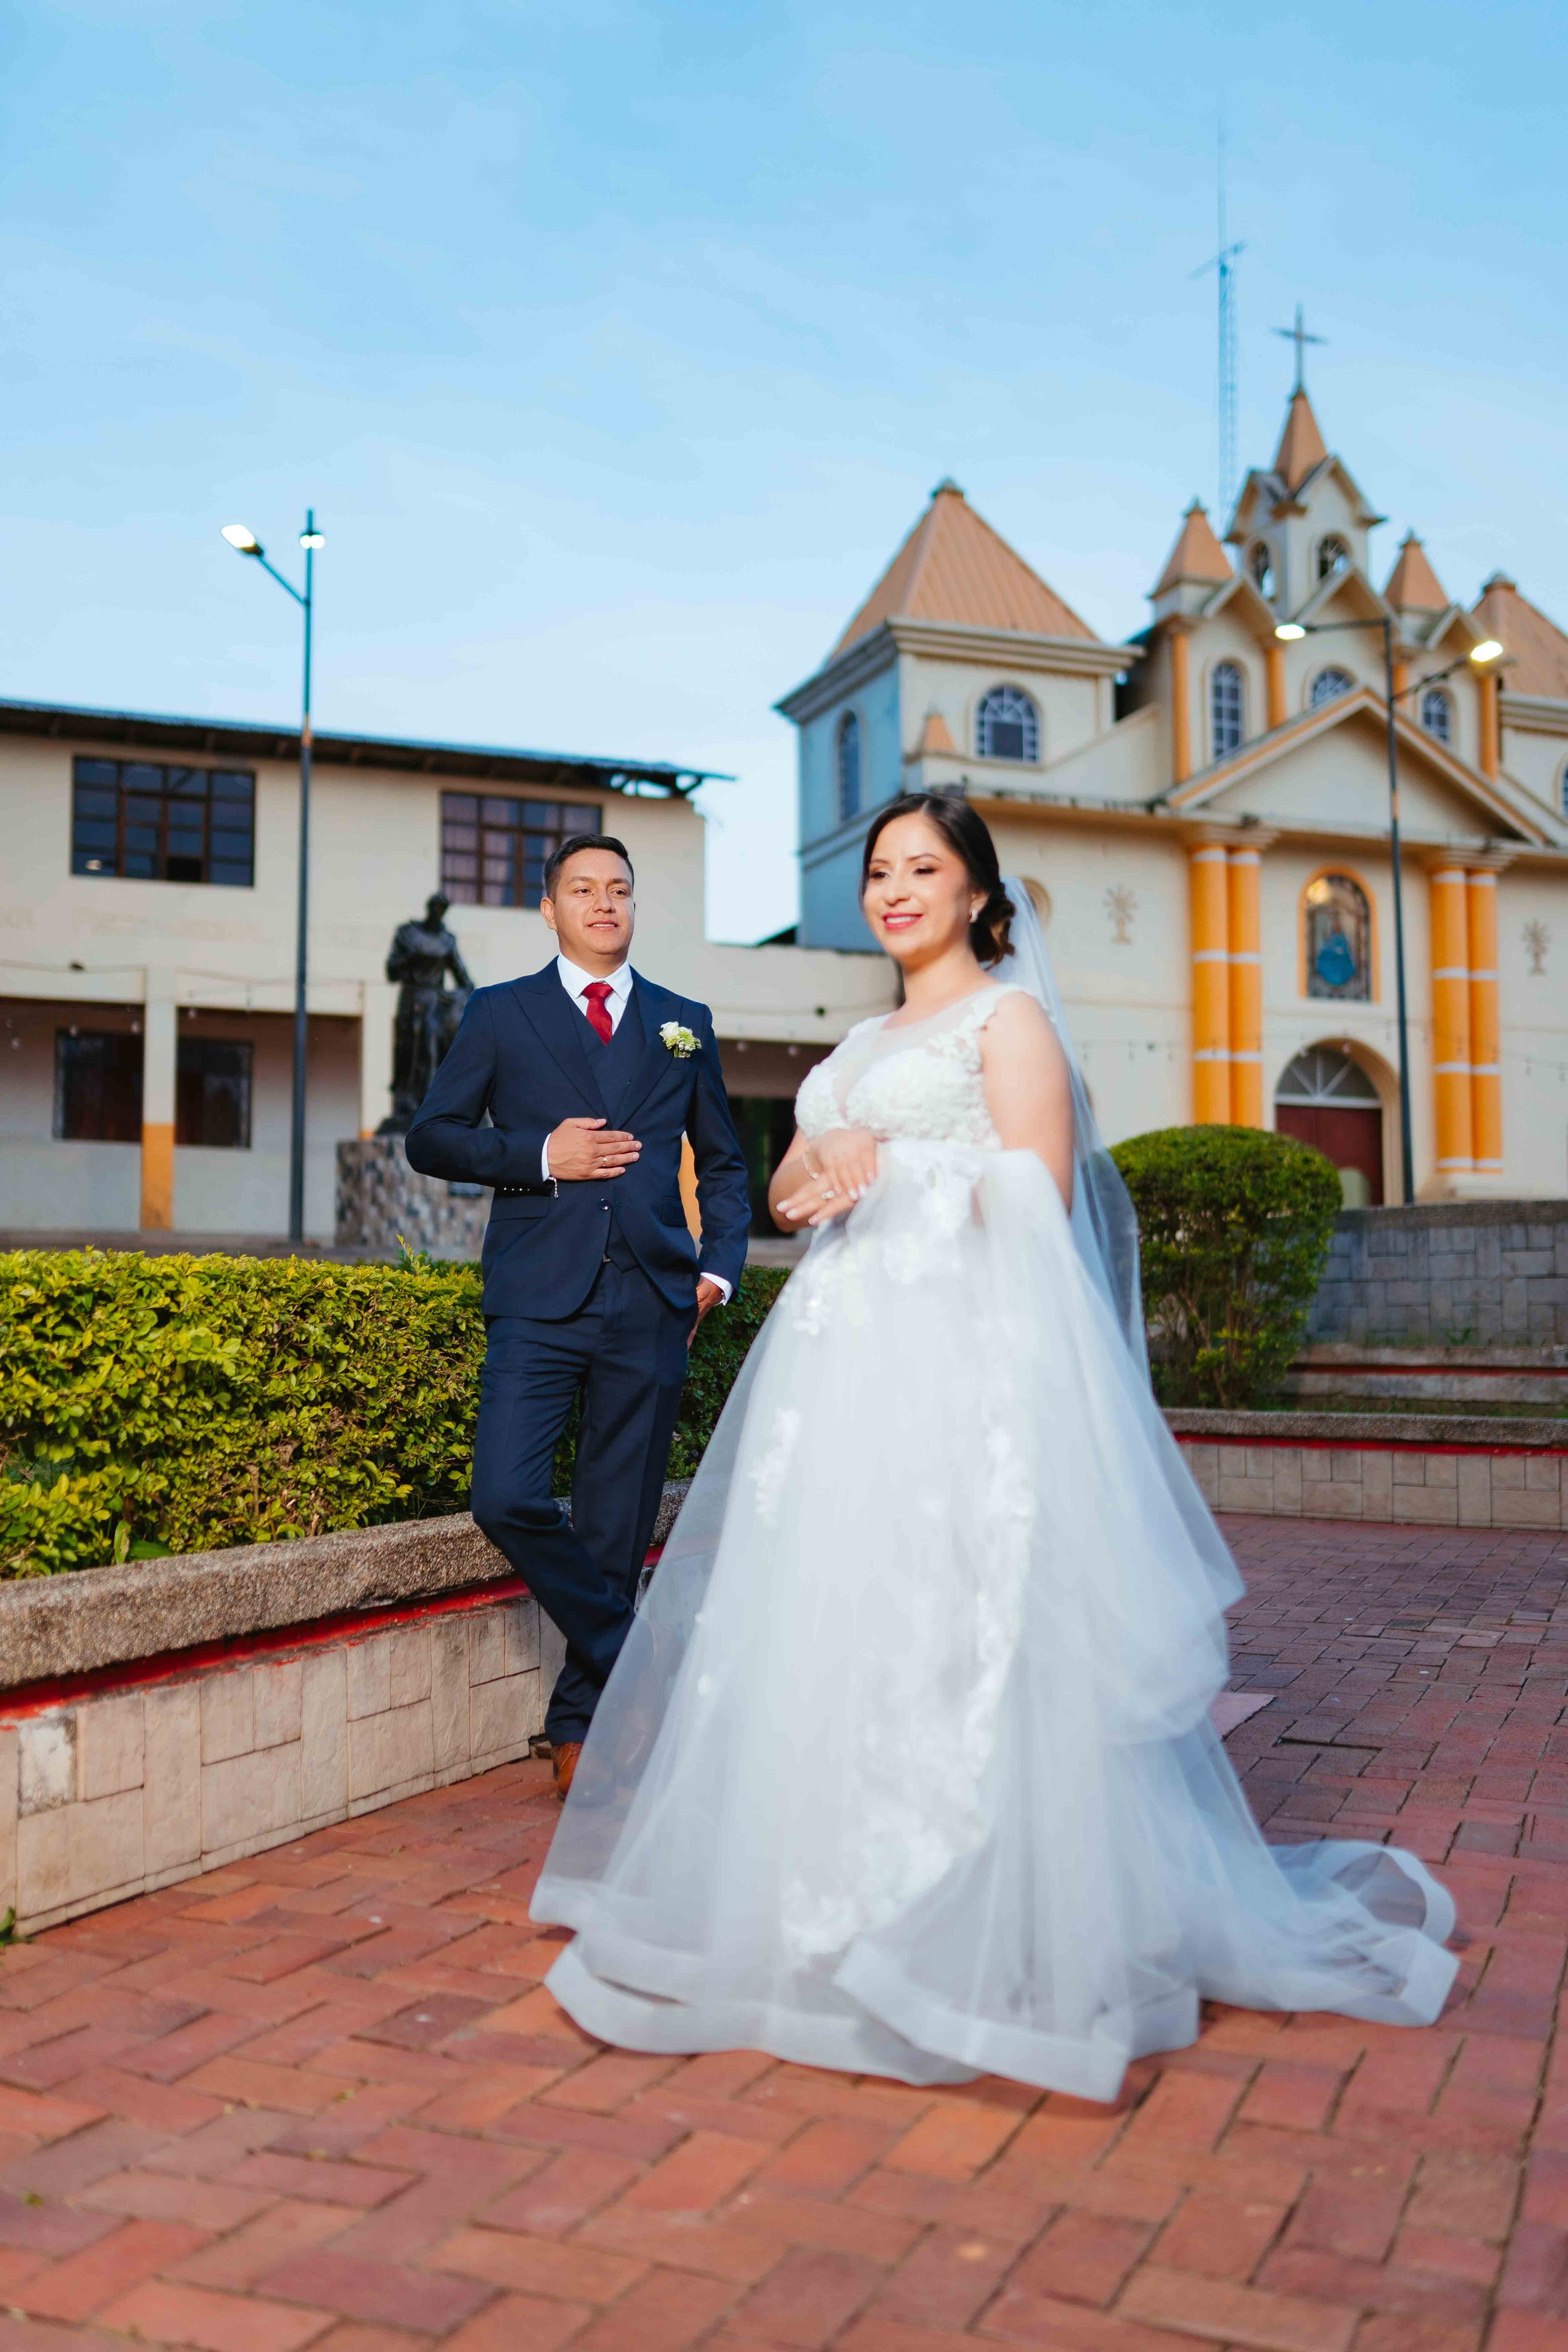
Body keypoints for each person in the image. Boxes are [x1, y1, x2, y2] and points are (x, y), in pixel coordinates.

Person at [532, 793, 1457, 2100]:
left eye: (925, 868)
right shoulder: (856, 1037)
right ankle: (824, 1901)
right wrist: (827, 1157)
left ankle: (971, 1911)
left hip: (956, 1358)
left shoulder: (1004, 1020)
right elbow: (793, 1191)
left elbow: (1036, 1183)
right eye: (879, 870)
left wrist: (887, 1158)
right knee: (828, 1616)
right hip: (839, 1365)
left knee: (953, 1620)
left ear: (975, 893)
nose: (896, 889)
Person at [405, 834, 751, 1798]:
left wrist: (717, 1272)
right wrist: (538, 1153)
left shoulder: (683, 1022)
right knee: (505, 1495)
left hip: (652, 1302)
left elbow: (723, 1164)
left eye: (621, 890)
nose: (605, 903)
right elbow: (431, 1137)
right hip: (538, 1295)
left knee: (613, 1527)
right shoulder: (501, 1012)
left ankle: (579, 1728)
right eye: (583, 890)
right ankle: (642, 1658)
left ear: (634, 908)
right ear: (550, 910)